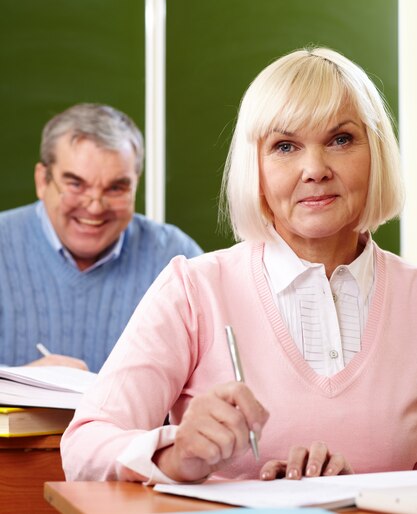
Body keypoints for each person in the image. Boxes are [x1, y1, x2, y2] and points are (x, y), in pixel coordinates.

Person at [61, 46, 415, 485]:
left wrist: (354, 488)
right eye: (285, 146)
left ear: (376, 151)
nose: (315, 169)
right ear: (256, 168)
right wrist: (176, 454)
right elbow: (83, 447)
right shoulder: (193, 290)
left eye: (340, 139)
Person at [0, 103, 202, 373]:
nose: (95, 207)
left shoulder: (177, 258)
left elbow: (218, 376)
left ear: (135, 185)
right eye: (75, 184)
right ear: (42, 181)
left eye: (116, 188)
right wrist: (18, 385)